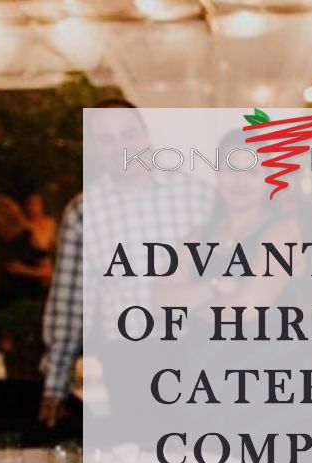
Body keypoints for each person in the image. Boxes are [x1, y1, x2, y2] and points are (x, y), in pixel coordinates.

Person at [39, 98, 212, 428]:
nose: (120, 147)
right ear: (94, 147)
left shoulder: (200, 197)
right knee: (138, 453)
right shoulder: (82, 213)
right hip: (127, 361)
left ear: (146, 134)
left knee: (207, 452)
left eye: (128, 135)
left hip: (198, 351)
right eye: (106, 139)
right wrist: (55, 384)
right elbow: (71, 304)